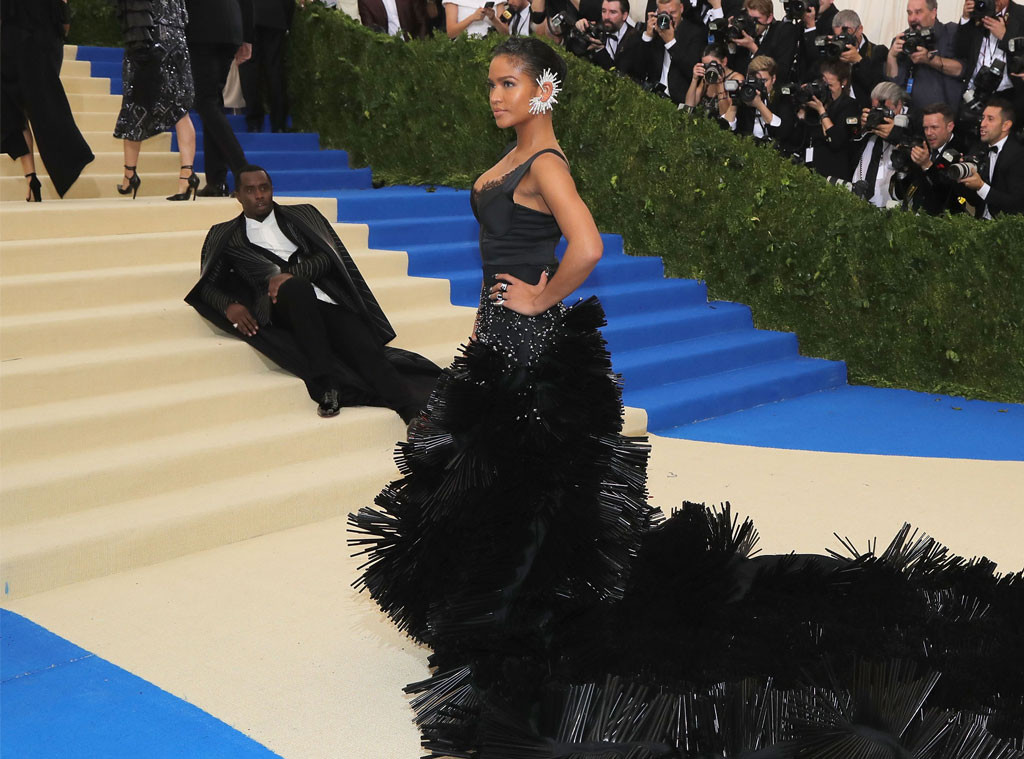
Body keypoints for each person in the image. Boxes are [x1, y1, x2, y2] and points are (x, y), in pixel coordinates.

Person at [348, 37, 1024, 759]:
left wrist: (540, 298)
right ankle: (509, 611)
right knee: (504, 485)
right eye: (491, 83)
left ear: (545, 90)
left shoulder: (545, 163)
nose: (495, 95)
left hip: (528, 346)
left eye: (508, 83)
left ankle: (517, 620)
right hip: (500, 340)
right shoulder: (518, 158)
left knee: (515, 485)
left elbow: (587, 246)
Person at [184, 165, 440, 419]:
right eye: (250, 190)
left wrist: (293, 273)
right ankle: (326, 385)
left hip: (327, 300)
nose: (259, 195)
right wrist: (228, 305)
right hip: (277, 306)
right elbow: (207, 285)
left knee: (363, 345)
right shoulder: (225, 234)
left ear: (272, 189)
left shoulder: (303, 214)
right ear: (238, 195)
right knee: (296, 289)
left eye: (264, 188)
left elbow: (329, 256)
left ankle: (411, 414)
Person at [1, 0, 93, 201]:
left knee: (16, 112)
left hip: (12, 38)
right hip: (44, 39)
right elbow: (63, 11)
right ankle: (69, 160)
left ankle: (31, 179)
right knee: (42, 105)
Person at [113, 0, 199, 201]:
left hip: (148, 35)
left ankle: (130, 176)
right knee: (179, 108)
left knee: (135, 101)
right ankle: (187, 175)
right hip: (177, 37)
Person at [185, 0, 253, 196]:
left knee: (205, 102)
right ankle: (216, 181)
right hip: (231, 26)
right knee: (213, 101)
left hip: (201, 26)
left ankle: (244, 173)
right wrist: (247, 36)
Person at [886, 0, 967, 112]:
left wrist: (929, 59)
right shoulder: (903, 41)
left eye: (918, 12)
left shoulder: (951, 32)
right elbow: (894, 84)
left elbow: (961, 70)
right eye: (909, 13)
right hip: (914, 116)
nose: (912, 18)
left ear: (933, 13)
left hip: (947, 115)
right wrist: (892, 56)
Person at [899, 101, 971, 213]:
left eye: (934, 127)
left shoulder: (964, 152)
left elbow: (948, 197)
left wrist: (927, 165)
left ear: (950, 127)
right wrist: (904, 167)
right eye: (925, 128)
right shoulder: (922, 148)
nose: (928, 133)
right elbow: (902, 191)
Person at [850, 81, 913, 207]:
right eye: (875, 108)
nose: (879, 113)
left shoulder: (913, 123)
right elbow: (849, 147)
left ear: (899, 105)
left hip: (891, 201)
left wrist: (895, 133)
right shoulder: (871, 121)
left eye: (884, 109)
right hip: (859, 196)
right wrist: (862, 127)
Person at [957, 98, 1024, 216]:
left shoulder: (1019, 156)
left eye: (990, 119)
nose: (982, 124)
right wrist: (962, 178)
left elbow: (1016, 204)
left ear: (1005, 125)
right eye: (983, 118)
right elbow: (970, 200)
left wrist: (981, 186)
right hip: (978, 220)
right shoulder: (977, 149)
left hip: (1006, 224)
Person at [239, 0, 296, 133]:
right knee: (275, 67)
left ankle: (254, 122)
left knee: (249, 68)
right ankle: (279, 123)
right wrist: (287, 21)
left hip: (248, 17)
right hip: (275, 16)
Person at [798, 59, 860, 179]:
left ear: (843, 82)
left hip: (833, 171)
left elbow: (836, 140)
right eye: (824, 84)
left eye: (830, 85)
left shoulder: (849, 105)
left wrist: (821, 111)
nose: (826, 88)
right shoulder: (817, 102)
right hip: (810, 168)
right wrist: (803, 99)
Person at [634, 0, 705, 103]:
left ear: (681, 8)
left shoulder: (695, 33)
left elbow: (692, 70)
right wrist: (648, 37)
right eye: (665, 14)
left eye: (673, 13)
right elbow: (637, 69)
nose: (670, 18)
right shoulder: (656, 30)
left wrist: (671, 42)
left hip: (679, 100)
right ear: (658, 12)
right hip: (652, 96)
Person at [734, 54, 799, 155]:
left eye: (764, 81)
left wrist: (759, 105)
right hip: (746, 152)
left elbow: (783, 132)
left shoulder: (782, 97)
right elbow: (727, 130)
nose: (760, 85)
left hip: (774, 154)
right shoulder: (745, 95)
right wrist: (734, 101)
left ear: (773, 79)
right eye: (755, 80)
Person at [729, 0, 801, 82]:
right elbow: (731, 66)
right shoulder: (743, 31)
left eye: (756, 19)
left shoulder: (783, 31)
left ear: (769, 18)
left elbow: (781, 72)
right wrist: (731, 37)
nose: (752, 23)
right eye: (749, 18)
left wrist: (753, 48)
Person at [683, 42, 743, 127]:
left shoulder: (736, 79)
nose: (710, 68)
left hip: (722, 130)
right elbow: (689, 105)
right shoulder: (708, 77)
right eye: (706, 65)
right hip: (703, 127)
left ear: (724, 61)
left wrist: (720, 85)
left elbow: (725, 119)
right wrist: (694, 79)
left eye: (713, 64)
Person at [569, 0, 639, 70]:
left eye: (613, 12)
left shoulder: (635, 41)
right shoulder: (598, 28)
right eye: (604, 11)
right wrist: (577, 30)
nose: (606, 17)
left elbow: (618, 74)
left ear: (624, 16)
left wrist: (600, 49)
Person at [358, 0, 429, 38]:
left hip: (416, 44)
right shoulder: (365, 2)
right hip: (388, 52)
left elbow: (422, 21)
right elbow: (371, 32)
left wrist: (419, 46)